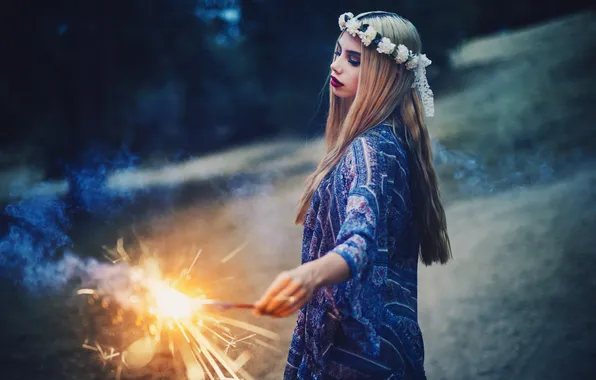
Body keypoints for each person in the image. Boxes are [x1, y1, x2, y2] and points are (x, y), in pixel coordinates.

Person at [254, 11, 452, 380]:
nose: (336, 65)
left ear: (385, 76)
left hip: (362, 356)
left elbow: (360, 240)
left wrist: (310, 275)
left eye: (354, 59)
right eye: (337, 52)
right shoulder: (387, 140)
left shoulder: (372, 149)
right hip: (374, 349)